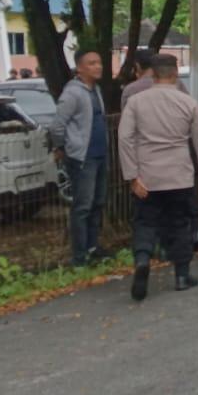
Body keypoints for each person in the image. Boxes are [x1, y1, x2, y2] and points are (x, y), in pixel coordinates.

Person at [119, 54, 198, 300]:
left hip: (147, 176)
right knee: (180, 223)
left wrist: (132, 175)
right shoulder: (187, 102)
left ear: (152, 73)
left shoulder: (136, 102)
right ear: (174, 74)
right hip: (179, 175)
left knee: (144, 222)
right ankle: (182, 275)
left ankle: (142, 260)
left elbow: (124, 138)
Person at [51, 50, 110, 265]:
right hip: (82, 157)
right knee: (83, 206)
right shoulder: (73, 93)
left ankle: (93, 247)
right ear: (80, 68)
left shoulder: (96, 90)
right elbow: (57, 125)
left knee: (98, 202)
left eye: (99, 62)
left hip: (100, 154)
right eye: (92, 63)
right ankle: (79, 255)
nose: (98, 66)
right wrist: (62, 147)